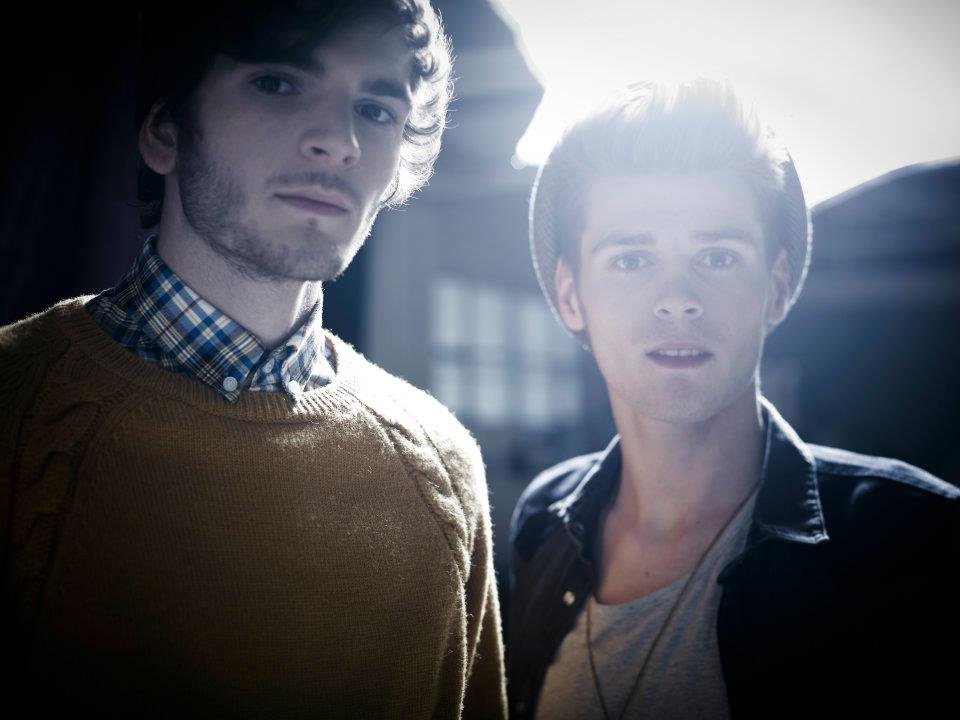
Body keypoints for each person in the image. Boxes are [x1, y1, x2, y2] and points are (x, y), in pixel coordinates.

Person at [0, 2, 506, 717]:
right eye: (278, 84)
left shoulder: (444, 469)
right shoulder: (14, 410)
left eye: (375, 110)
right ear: (166, 130)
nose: (339, 142)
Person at [507, 80, 959, 719]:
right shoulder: (543, 521)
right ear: (571, 297)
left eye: (717, 257)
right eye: (632, 260)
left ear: (776, 287)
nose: (678, 299)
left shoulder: (914, 540)